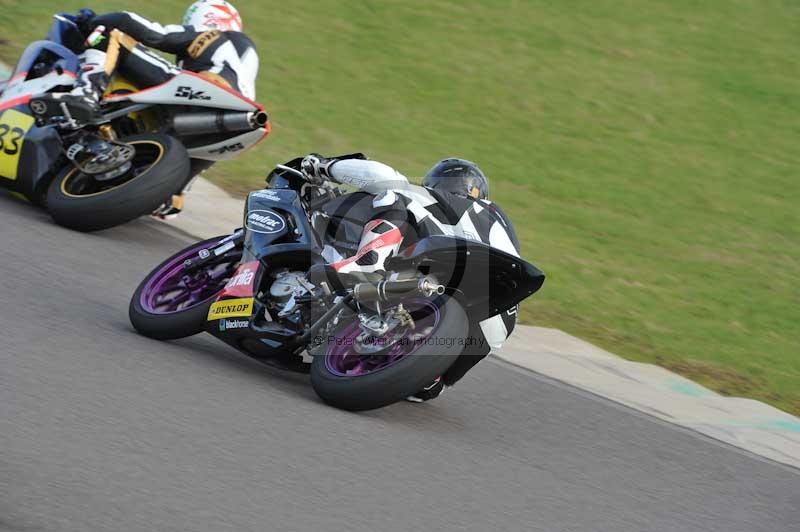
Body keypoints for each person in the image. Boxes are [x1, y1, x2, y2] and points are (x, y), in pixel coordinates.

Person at [301, 154, 520, 402]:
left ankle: (367, 264)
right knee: (430, 386)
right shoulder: (498, 221)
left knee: (393, 195)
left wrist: (324, 166)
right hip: (499, 309)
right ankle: (434, 377)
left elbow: (381, 175)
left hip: (456, 271)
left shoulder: (435, 201)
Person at [46, 1, 258, 116]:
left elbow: (156, 35)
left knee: (112, 35)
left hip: (208, 89)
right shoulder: (242, 61)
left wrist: (93, 21)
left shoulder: (216, 36)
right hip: (241, 113)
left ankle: (86, 94)